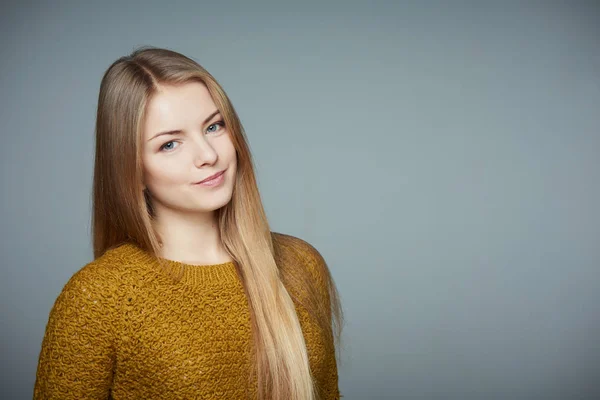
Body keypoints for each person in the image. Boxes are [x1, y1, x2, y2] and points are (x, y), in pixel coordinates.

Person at [33, 46, 343, 400]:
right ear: (132, 170)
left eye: (214, 126)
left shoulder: (301, 264)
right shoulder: (100, 299)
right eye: (170, 144)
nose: (208, 155)